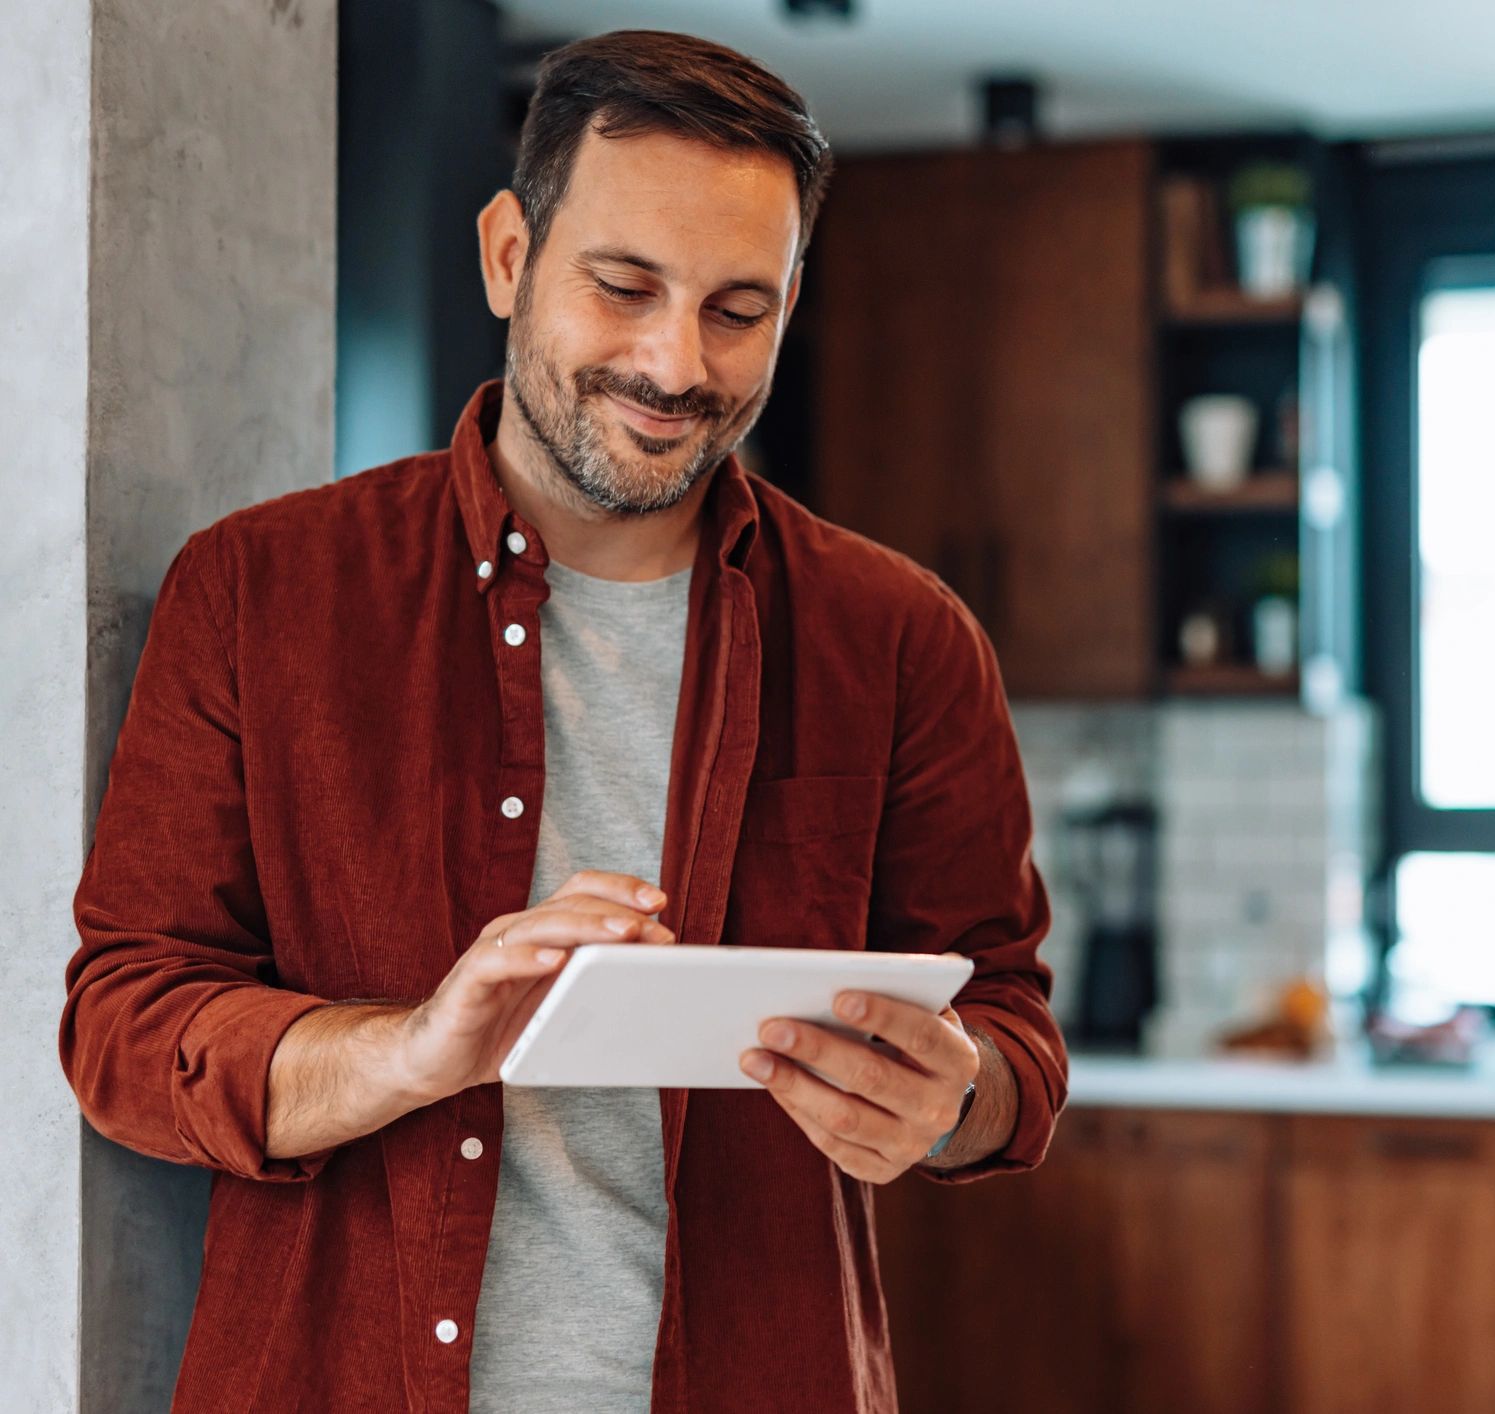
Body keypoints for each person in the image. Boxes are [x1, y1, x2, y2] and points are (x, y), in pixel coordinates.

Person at [59, 29, 1063, 1413]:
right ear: (507, 256)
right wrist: (414, 1047)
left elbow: (1012, 1027)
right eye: (625, 285)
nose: (675, 361)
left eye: (737, 307)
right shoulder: (258, 591)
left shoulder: (901, 638)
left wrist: (951, 1104)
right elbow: (124, 1025)